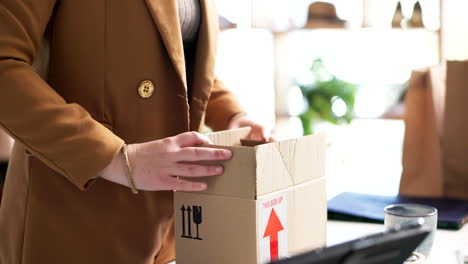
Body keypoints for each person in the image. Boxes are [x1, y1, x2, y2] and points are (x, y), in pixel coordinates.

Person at [0, 0, 273, 263]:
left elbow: (175, 60)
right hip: (75, 211)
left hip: (173, 219)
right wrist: (112, 157)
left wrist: (230, 113)